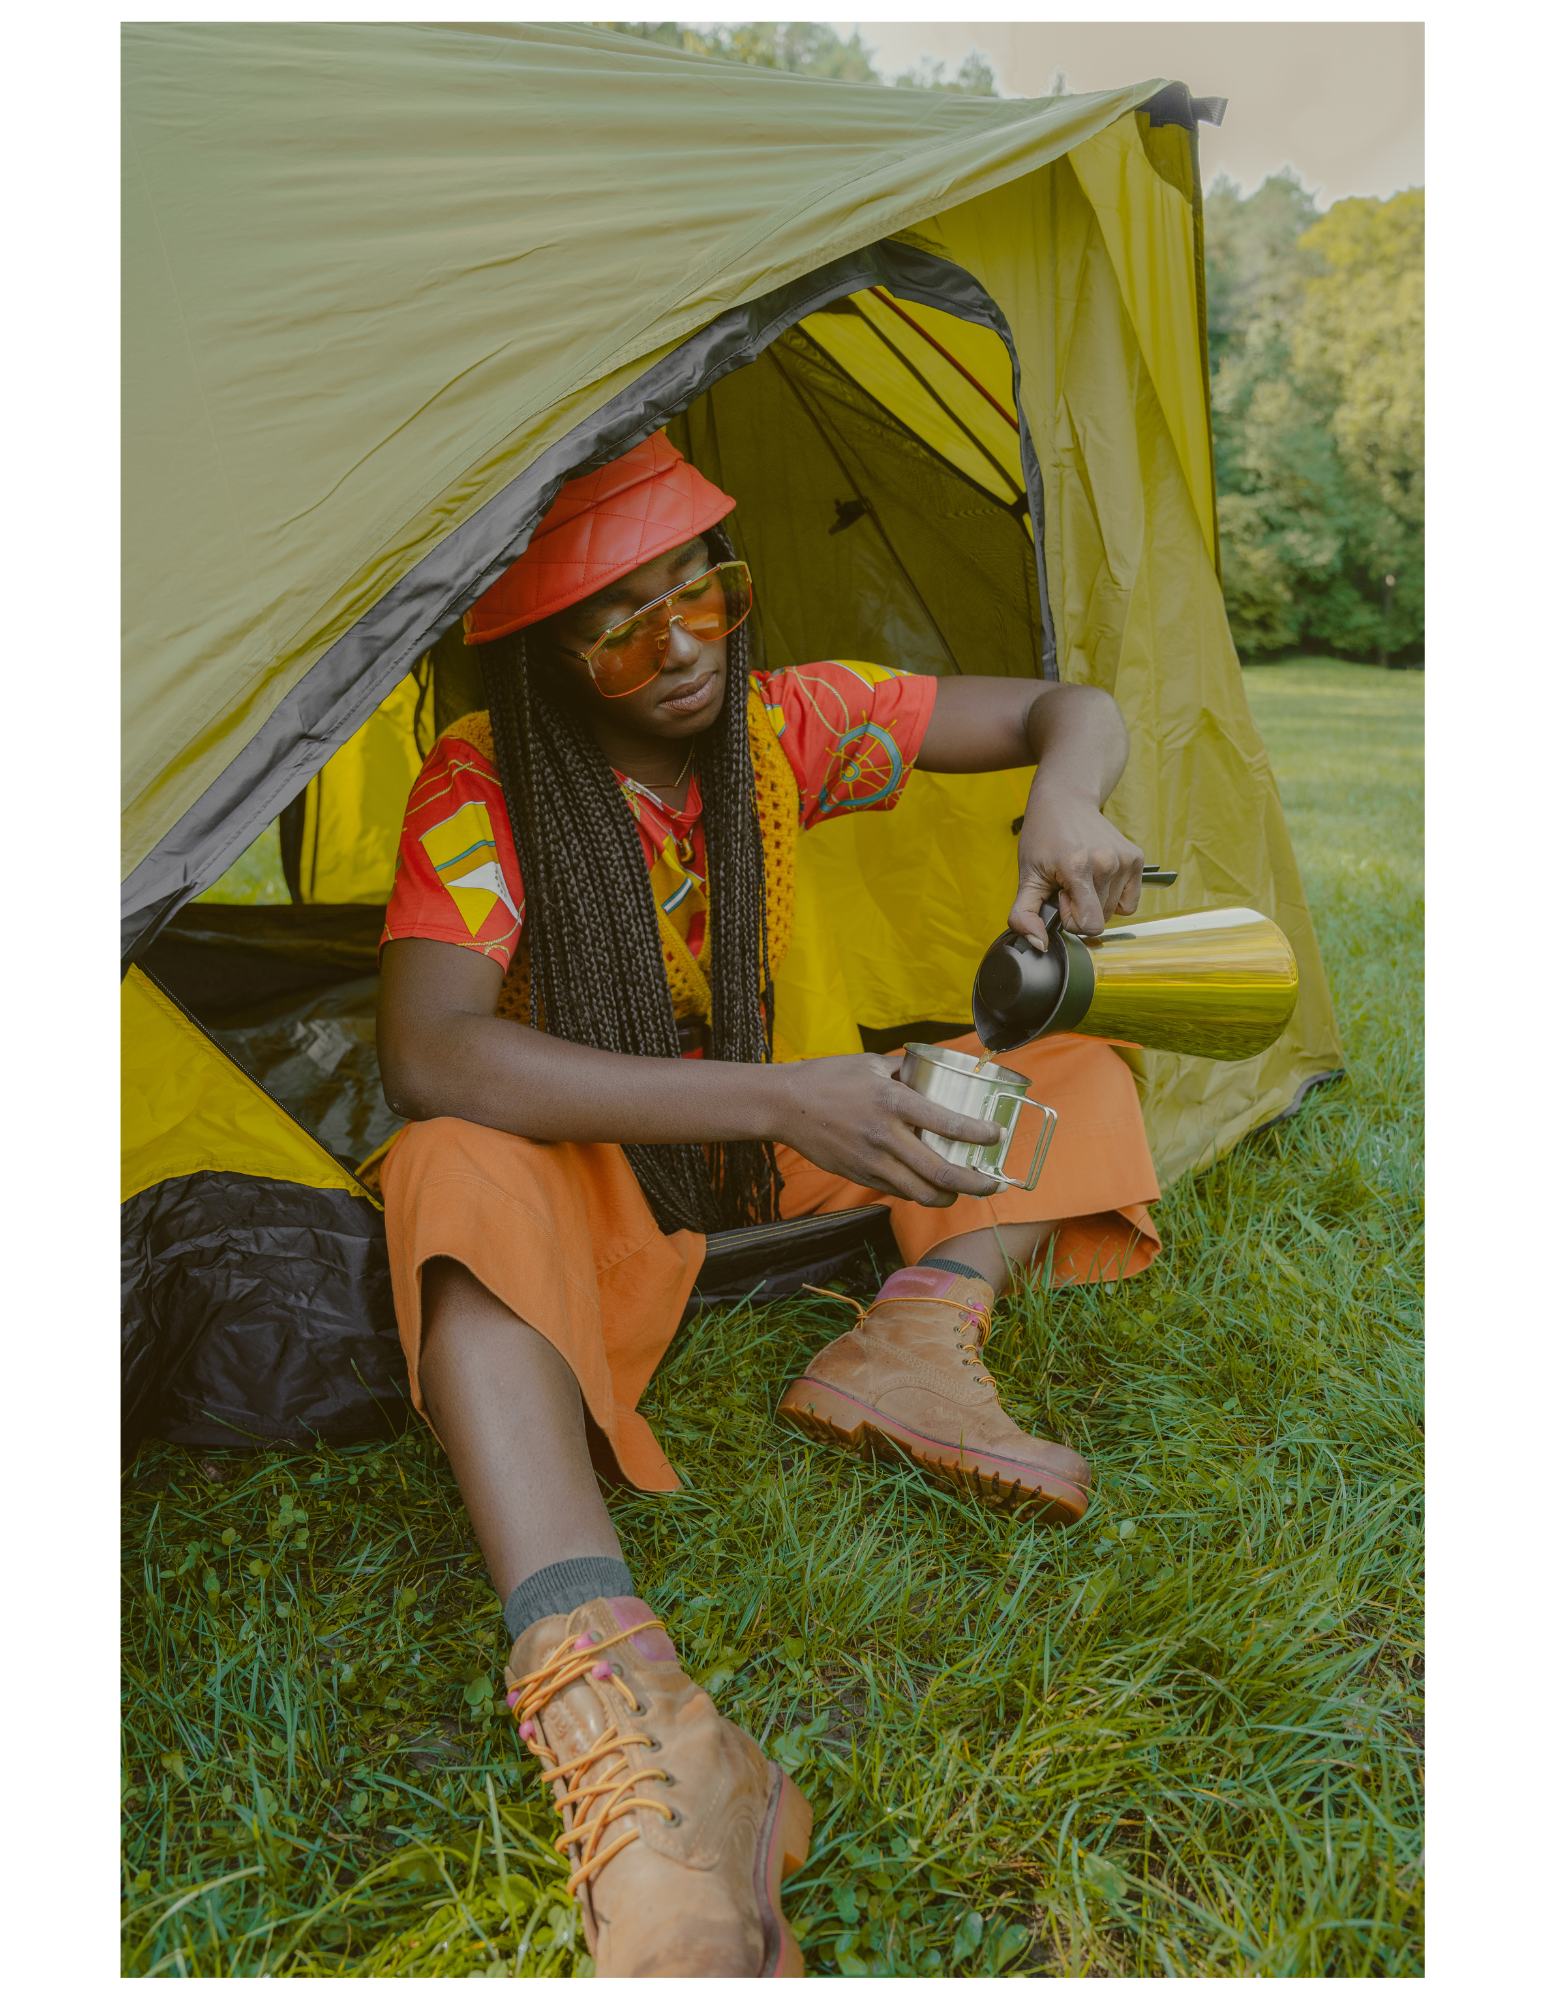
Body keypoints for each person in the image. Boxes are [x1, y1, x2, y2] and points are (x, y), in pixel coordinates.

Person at [373, 432, 1160, 1980]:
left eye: (703, 594)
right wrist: (785, 1095)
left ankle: (921, 1341)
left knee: (1066, 1048)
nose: (682, 649)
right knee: (448, 1171)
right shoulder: (480, 791)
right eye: (622, 621)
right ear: (538, 653)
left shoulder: (789, 726)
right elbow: (431, 1049)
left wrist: (1066, 801)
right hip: (614, 1185)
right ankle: (643, 1728)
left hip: (774, 1157)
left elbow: (1071, 707)